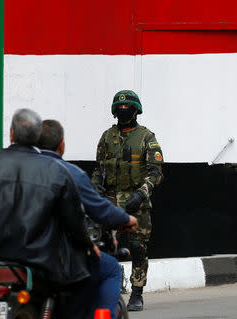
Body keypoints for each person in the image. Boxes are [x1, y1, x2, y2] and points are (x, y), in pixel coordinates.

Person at [0, 108, 96, 319]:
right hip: (38, 261)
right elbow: (74, 220)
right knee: (73, 289)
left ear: (11, 134)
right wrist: (87, 244)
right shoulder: (56, 171)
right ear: (38, 137)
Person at [37, 119, 139, 319]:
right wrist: (126, 218)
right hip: (57, 255)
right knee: (110, 269)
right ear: (62, 145)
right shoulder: (71, 173)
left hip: (16, 252)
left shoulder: (15, 170)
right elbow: (99, 209)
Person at [91, 90, 163, 311]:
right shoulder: (107, 137)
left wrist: (141, 193)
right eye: (120, 109)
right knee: (102, 246)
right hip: (109, 201)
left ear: (136, 110)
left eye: (128, 108)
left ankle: (137, 293)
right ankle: (103, 290)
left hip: (137, 203)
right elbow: (98, 169)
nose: (124, 112)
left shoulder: (146, 137)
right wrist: (94, 189)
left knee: (137, 248)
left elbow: (156, 172)